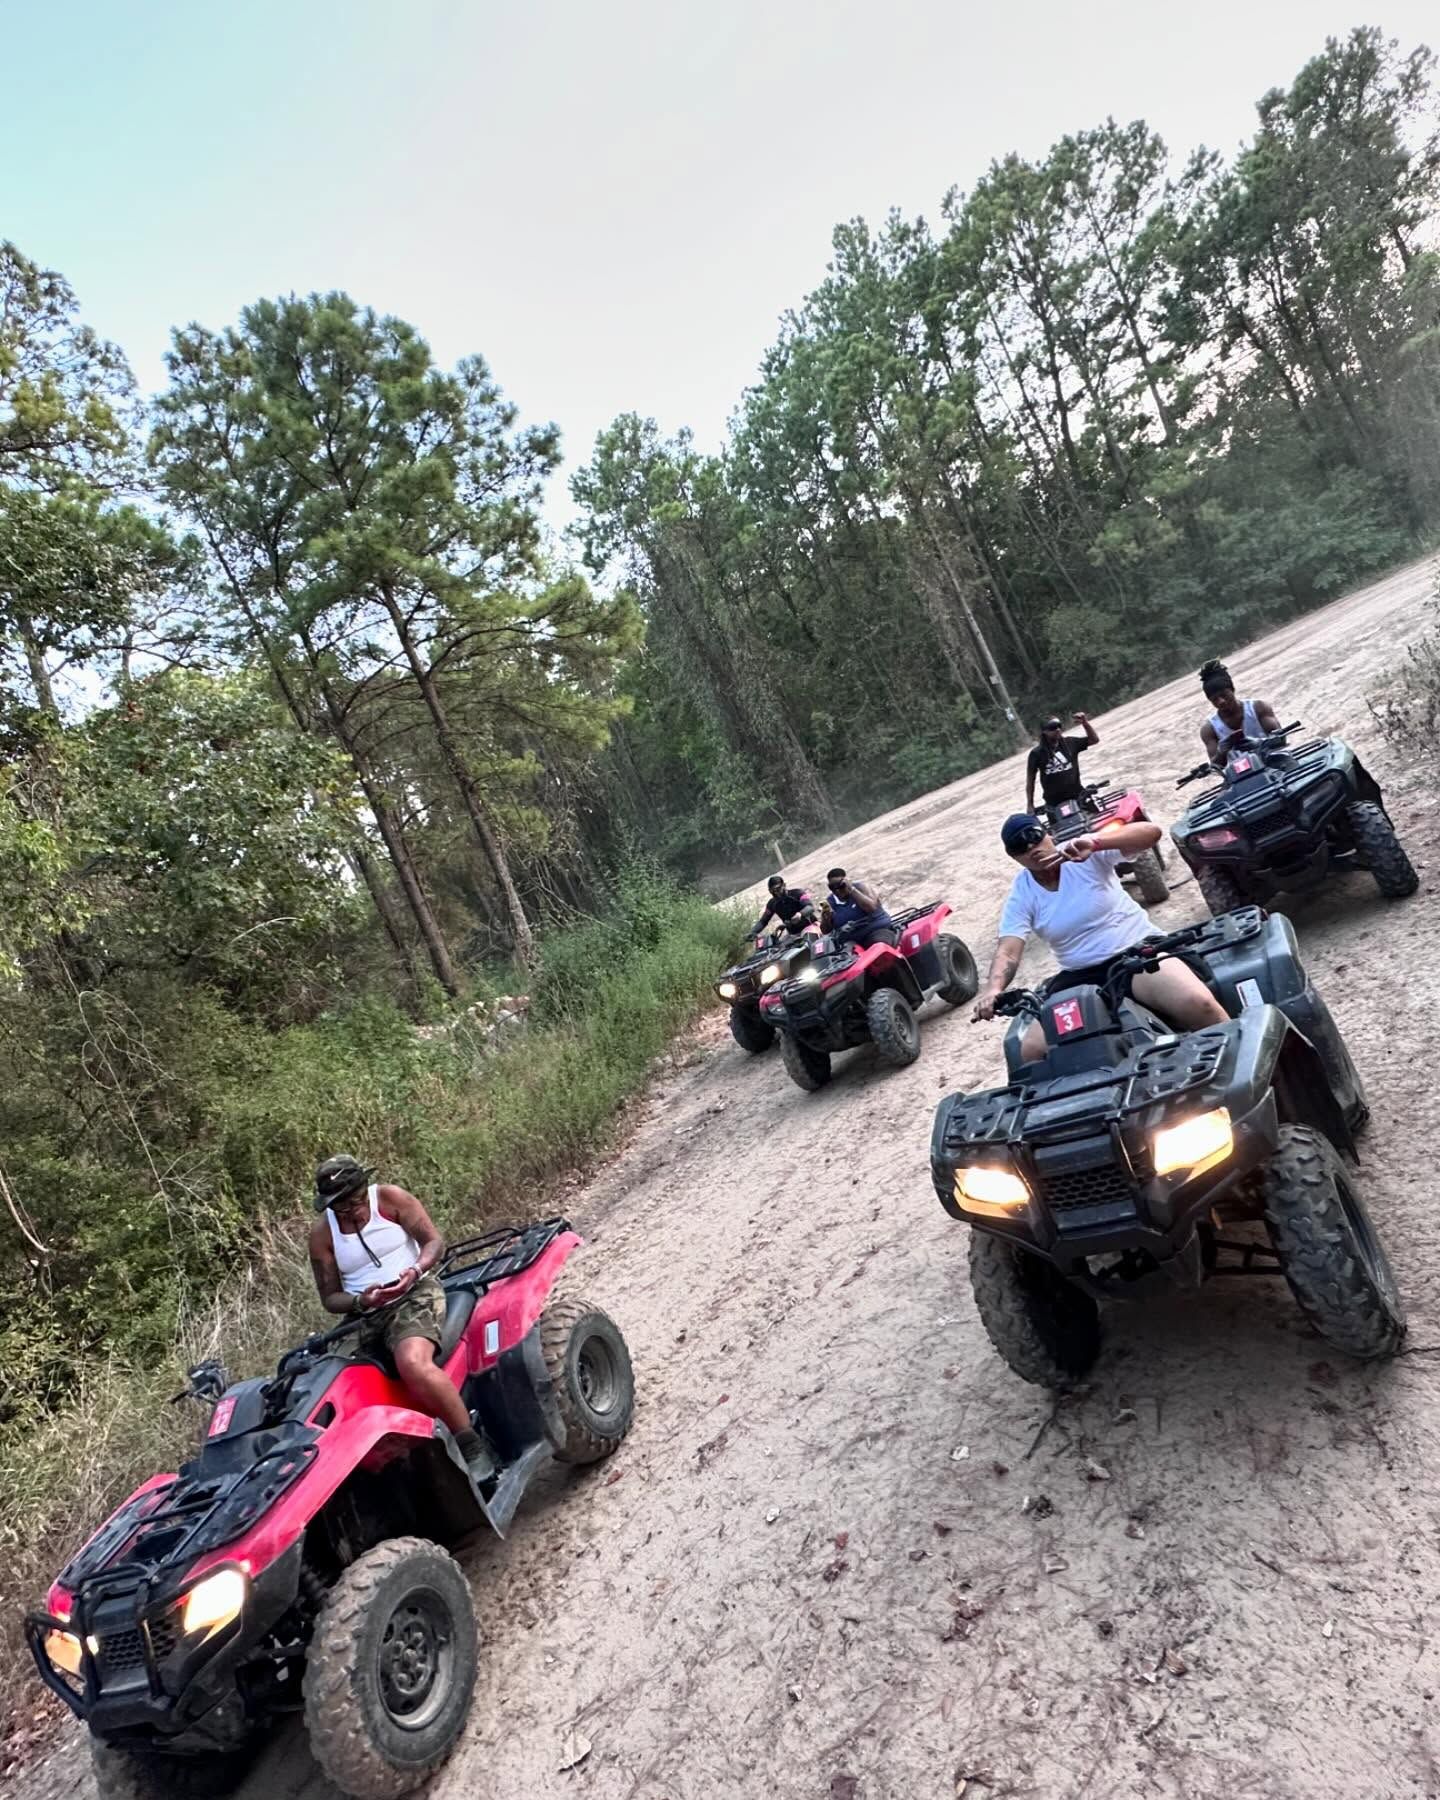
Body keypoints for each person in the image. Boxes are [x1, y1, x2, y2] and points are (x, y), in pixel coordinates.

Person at [972, 814, 1228, 1060]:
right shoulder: (1022, 892)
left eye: (1034, 836)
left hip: (1136, 952)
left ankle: (1256, 1067)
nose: (1031, 847)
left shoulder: (1081, 853)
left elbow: (1151, 833)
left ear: (1048, 834)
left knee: (1199, 1003)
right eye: (1020, 846)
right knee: (1032, 1051)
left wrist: (1095, 842)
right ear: (1013, 856)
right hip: (1080, 975)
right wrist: (994, 989)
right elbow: (1008, 949)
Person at [308, 1156, 491, 1472]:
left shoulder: (391, 1199)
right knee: (326, 1382)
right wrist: (359, 1301)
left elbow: (433, 1242)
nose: (351, 1211)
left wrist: (415, 1269)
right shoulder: (323, 1235)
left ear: (365, 1189)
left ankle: (471, 1444)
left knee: (412, 1362)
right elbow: (330, 1297)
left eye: (354, 1202)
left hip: (414, 1292)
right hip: (364, 1312)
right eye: (340, 1207)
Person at [1199, 660, 1281, 769]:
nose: (1221, 702)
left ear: (1232, 690)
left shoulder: (1259, 708)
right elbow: (1216, 767)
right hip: (1241, 776)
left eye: (1224, 695)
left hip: (1276, 763)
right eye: (1214, 700)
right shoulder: (1209, 730)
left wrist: (1260, 744)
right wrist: (1222, 752)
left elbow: (1281, 739)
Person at [1025, 711, 1100, 813]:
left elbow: (1094, 740)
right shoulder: (1036, 754)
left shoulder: (1070, 743)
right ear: (1044, 731)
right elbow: (1030, 781)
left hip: (1078, 796)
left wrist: (1085, 723)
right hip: (1054, 803)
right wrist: (1030, 805)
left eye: (1059, 726)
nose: (1057, 730)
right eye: (1052, 727)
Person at [820, 867, 896, 949]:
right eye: (832, 887)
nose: (837, 890)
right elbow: (825, 931)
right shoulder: (830, 901)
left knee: (877, 949)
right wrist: (826, 919)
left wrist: (851, 890)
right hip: (851, 942)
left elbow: (871, 908)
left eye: (840, 886)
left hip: (876, 931)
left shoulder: (861, 888)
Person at [749, 875, 817, 938]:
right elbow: (763, 921)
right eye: (772, 891)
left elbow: (810, 907)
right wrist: (752, 932)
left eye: (778, 889)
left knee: (806, 939)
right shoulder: (772, 904)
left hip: (810, 926)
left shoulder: (798, 893)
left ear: (784, 885)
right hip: (793, 934)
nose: (776, 893)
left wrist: (800, 914)